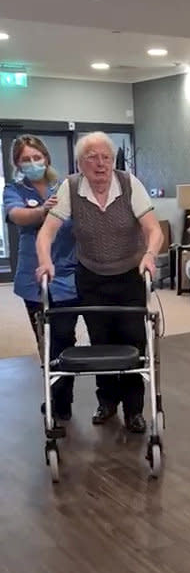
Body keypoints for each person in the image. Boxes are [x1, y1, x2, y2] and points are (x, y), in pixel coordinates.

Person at [36, 131, 163, 434]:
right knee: (101, 342)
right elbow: (46, 232)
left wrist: (150, 255)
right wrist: (45, 261)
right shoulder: (71, 187)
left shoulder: (130, 184)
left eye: (105, 156)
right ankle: (106, 403)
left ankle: (134, 410)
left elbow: (153, 229)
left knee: (134, 342)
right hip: (91, 275)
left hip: (130, 275)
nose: (100, 163)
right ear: (80, 163)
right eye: (92, 157)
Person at [3, 135, 78, 421]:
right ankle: (57, 399)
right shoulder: (14, 189)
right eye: (26, 159)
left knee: (65, 336)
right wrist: (43, 210)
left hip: (69, 270)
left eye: (37, 157)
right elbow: (18, 215)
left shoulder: (64, 187)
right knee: (46, 340)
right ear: (18, 164)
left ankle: (64, 394)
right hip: (35, 276)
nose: (33, 163)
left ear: (46, 158)